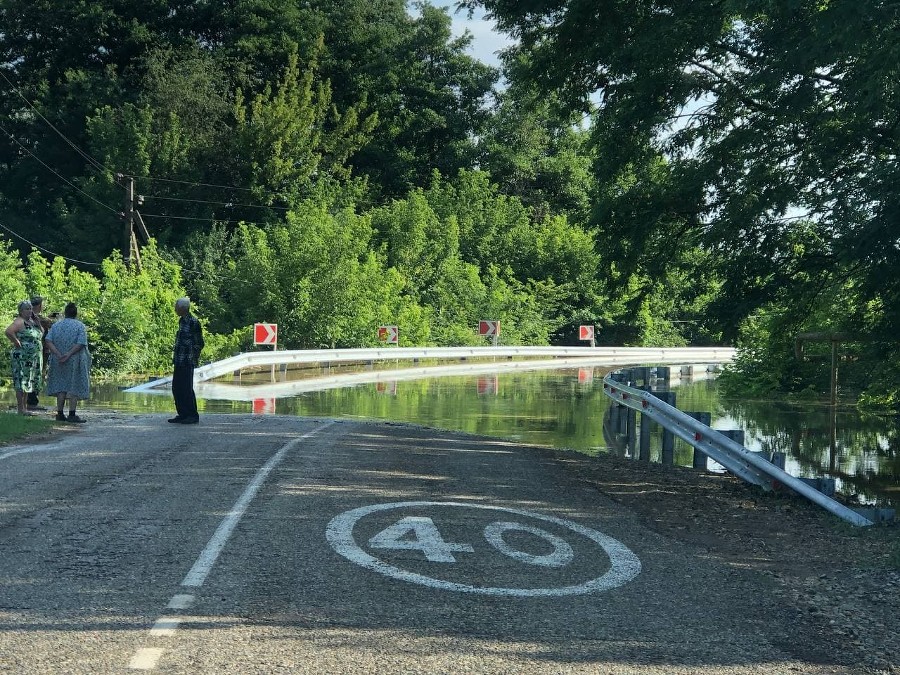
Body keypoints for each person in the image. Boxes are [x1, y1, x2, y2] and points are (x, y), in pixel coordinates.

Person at [45, 302, 91, 423]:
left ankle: (60, 414)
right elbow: (81, 343)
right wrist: (69, 354)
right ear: (76, 314)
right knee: (74, 385)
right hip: (75, 360)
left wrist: (58, 354)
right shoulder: (80, 326)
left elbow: (48, 340)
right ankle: (72, 414)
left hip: (58, 360)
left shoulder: (56, 325)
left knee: (61, 386)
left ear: (65, 313)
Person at [5, 300, 43, 415]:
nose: (29, 311)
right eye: (27, 309)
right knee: (21, 381)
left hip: (32, 358)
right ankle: (20, 408)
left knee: (28, 381)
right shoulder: (19, 321)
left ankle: (25, 408)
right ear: (21, 311)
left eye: (30, 308)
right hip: (22, 357)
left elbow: (41, 333)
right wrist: (16, 341)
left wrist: (38, 323)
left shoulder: (32, 321)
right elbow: (8, 331)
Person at [170, 297, 203, 424]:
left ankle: (192, 415)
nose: (175, 309)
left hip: (187, 360)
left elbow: (199, 343)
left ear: (183, 308)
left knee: (187, 389)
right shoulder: (182, 321)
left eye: (176, 307)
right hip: (179, 360)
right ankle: (182, 414)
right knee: (177, 388)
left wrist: (193, 356)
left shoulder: (193, 322)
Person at [26, 295, 53, 411]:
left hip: (33, 350)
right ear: (40, 305)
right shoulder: (39, 319)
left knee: (30, 374)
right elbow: (50, 323)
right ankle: (32, 402)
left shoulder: (26, 316)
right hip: (39, 351)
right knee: (37, 375)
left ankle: (28, 401)